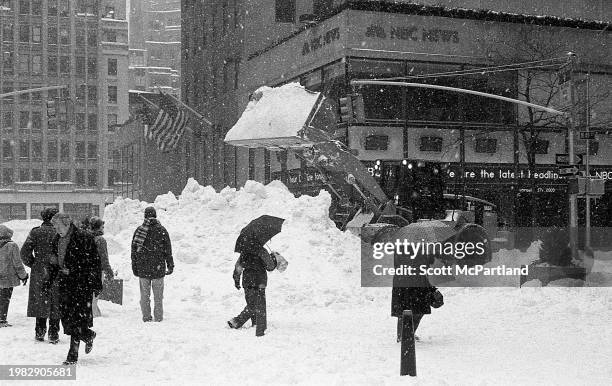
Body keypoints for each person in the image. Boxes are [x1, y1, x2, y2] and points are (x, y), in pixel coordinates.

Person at [50, 213, 102, 365]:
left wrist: (95, 283)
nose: (56, 229)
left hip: (81, 284)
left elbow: (94, 262)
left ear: (67, 224)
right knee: (67, 319)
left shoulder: (83, 237)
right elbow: (53, 261)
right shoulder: (56, 239)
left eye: (58, 226)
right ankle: (88, 335)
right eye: (55, 227)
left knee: (77, 319)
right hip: (65, 284)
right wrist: (50, 279)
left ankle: (72, 355)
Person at [21, 207, 62, 342]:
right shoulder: (62, 232)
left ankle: (40, 331)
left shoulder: (35, 232)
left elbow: (24, 253)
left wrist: (34, 264)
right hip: (58, 271)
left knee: (41, 301)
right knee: (56, 301)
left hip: (40, 272)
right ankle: (54, 333)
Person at [131, 207, 173, 322]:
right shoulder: (161, 230)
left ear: (145, 216)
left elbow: (134, 251)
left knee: (144, 296)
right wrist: (170, 265)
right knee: (158, 296)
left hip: (143, 268)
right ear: (155, 216)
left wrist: (134, 267)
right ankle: (158, 318)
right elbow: (167, 250)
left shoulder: (139, 230)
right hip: (158, 269)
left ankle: (146, 317)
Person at [227, 238, 277, 337]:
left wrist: (236, 281)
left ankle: (256, 323)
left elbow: (238, 268)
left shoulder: (244, 252)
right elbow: (270, 267)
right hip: (259, 282)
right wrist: (274, 259)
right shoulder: (262, 251)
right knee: (254, 305)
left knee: (252, 302)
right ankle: (237, 321)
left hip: (247, 281)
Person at [391, 247, 436, 342]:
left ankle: (406, 333)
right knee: (410, 309)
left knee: (415, 308)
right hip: (409, 280)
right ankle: (403, 335)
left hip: (412, 280)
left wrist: (428, 257)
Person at [0, 225, 29, 327]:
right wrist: (23, 276)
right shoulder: (12, 246)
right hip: (7, 278)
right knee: (4, 299)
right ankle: (2, 320)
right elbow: (17, 263)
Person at [89, 217, 114, 317]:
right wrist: (109, 271)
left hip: (86, 270)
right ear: (99, 228)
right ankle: (94, 315)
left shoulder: (86, 237)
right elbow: (104, 258)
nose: (103, 229)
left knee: (89, 295)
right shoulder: (100, 240)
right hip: (97, 271)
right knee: (95, 296)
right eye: (102, 227)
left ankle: (93, 313)